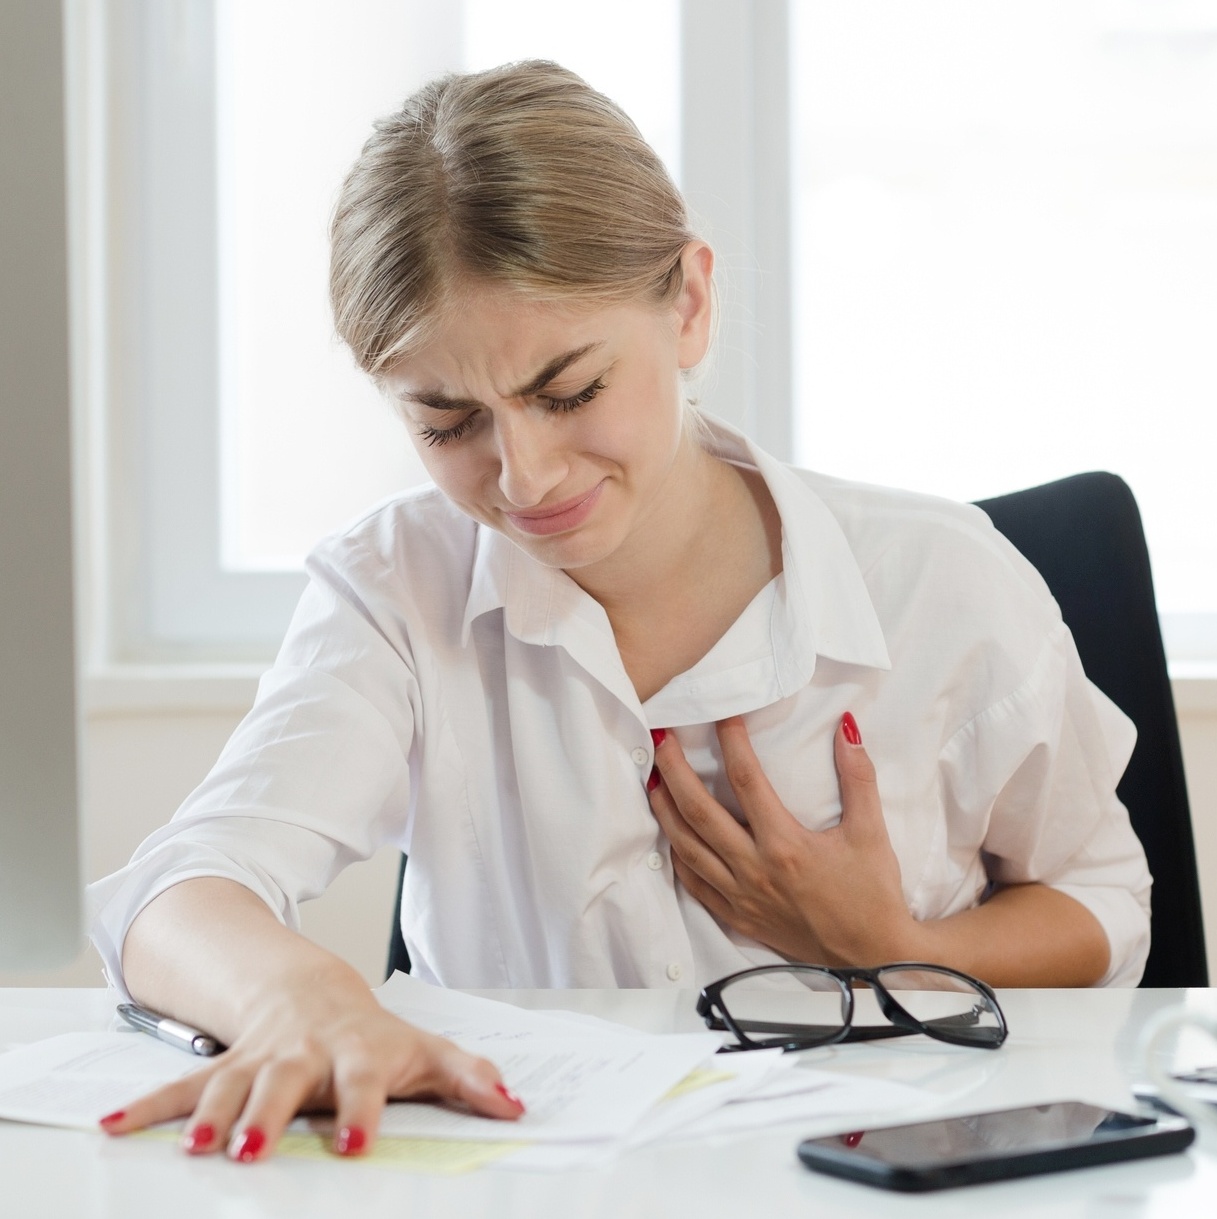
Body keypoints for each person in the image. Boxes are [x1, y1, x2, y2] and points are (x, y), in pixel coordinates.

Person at [88, 60, 1151, 1163]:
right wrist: (301, 996)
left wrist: (895, 944)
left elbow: (1102, 896)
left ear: (687, 304)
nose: (525, 475)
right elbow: (179, 888)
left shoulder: (943, 582)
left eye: (570, 391)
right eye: (448, 423)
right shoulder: (397, 586)